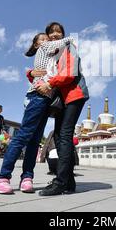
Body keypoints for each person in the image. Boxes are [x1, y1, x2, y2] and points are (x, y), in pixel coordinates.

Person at [0, 24, 84, 195]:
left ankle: (27, 177)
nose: (51, 37)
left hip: (49, 98)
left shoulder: (61, 50)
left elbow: (65, 73)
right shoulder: (49, 47)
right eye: (47, 35)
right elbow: (40, 72)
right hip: (38, 96)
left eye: (57, 32)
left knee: (35, 140)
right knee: (24, 135)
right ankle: (2, 177)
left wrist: (36, 75)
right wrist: (33, 74)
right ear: (37, 44)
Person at [36, 22, 90, 196]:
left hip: (74, 94)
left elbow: (69, 73)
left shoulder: (69, 47)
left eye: (58, 31)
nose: (54, 34)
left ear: (63, 34)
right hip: (64, 98)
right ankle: (69, 182)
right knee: (59, 137)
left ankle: (60, 182)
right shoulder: (53, 53)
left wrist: (49, 83)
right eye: (51, 32)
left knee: (65, 135)